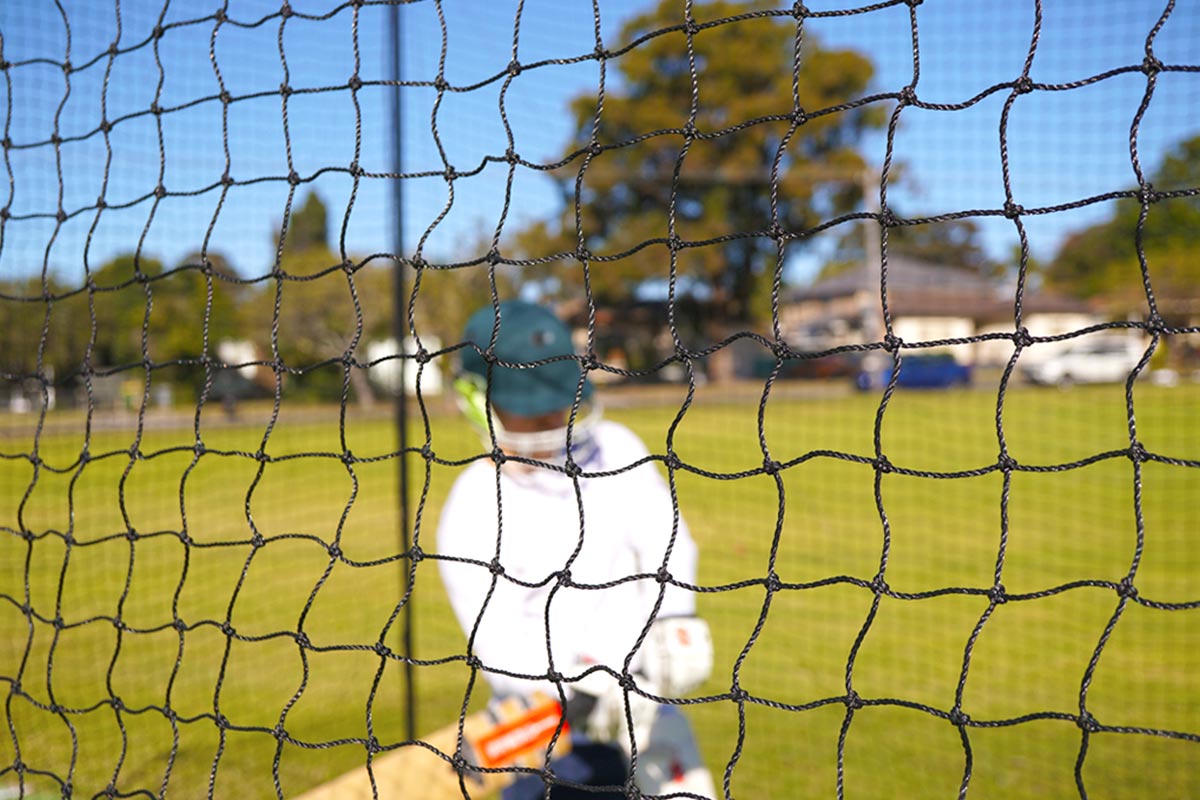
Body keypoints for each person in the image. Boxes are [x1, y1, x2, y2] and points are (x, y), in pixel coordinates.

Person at [436, 300, 716, 799]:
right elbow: (500, 648)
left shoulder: (615, 447)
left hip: (650, 714)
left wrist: (675, 619)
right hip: (546, 738)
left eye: (556, 401)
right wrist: (585, 689)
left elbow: (664, 537)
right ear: (476, 399)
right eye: (528, 408)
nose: (549, 418)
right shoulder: (472, 507)